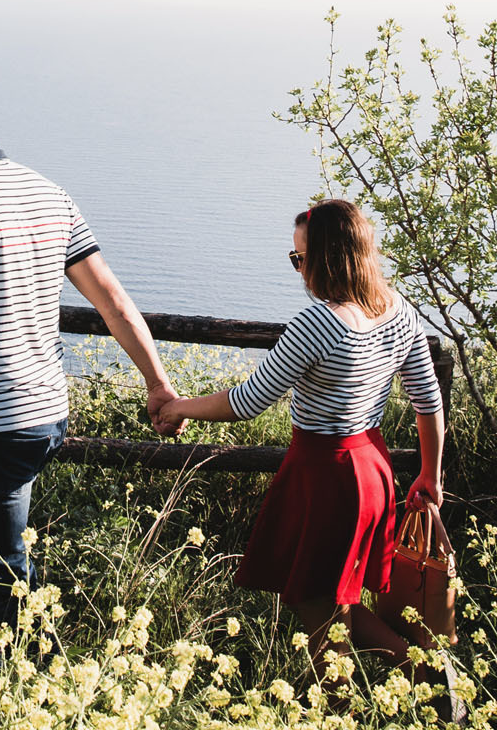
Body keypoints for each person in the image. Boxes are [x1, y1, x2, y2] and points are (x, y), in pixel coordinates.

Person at [0, 80, 179, 674]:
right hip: (46, 412)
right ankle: (33, 671)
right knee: (5, 551)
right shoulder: (51, 194)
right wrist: (157, 382)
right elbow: (114, 303)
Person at [156, 200, 449, 688]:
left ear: (328, 259)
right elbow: (428, 401)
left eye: (301, 259)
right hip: (372, 470)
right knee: (330, 597)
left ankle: (396, 681)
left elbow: (248, 401)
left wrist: (179, 405)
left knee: (318, 604)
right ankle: (419, 669)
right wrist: (429, 474)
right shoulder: (399, 311)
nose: (298, 270)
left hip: (328, 474)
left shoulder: (319, 323)